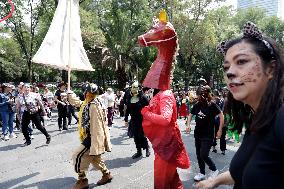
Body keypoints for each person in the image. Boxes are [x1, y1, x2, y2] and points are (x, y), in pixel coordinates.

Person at [196, 21, 284, 189]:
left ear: (271, 69)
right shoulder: (257, 120)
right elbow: (247, 172)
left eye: (241, 61)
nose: (229, 72)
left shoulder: (281, 120)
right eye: (226, 66)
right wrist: (214, 181)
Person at [138, 10, 190, 189]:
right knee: (172, 181)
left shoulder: (165, 95)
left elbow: (166, 119)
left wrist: (146, 113)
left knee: (161, 182)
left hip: (167, 147)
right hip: (165, 146)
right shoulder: (161, 94)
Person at [68, 83, 113, 189]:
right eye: (87, 92)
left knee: (77, 155)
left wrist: (94, 143)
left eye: (90, 93)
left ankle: (82, 180)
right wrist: (70, 95)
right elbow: (80, 104)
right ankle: (106, 174)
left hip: (92, 138)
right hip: (91, 136)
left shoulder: (94, 105)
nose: (88, 94)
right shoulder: (90, 102)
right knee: (95, 158)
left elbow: (97, 126)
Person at [186, 85, 224, 181]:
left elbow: (221, 116)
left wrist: (220, 130)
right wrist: (188, 125)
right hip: (197, 134)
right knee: (199, 155)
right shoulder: (197, 105)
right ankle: (201, 173)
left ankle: (214, 169)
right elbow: (190, 115)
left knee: (204, 154)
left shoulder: (212, 105)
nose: (197, 97)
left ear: (204, 95)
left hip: (208, 135)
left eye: (198, 95)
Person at [124, 81, 150, 159]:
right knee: (135, 137)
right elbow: (128, 109)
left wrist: (149, 120)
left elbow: (149, 109)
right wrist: (126, 119)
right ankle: (139, 152)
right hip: (133, 121)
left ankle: (147, 148)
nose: (133, 89)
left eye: (135, 87)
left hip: (142, 120)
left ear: (139, 88)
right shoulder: (129, 97)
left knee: (141, 136)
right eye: (132, 87)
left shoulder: (143, 98)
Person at [212, 89, 226, 155]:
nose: (214, 97)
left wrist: (217, 116)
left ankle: (223, 149)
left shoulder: (223, 101)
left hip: (222, 120)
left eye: (214, 95)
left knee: (222, 135)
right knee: (214, 134)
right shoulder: (213, 101)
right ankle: (214, 147)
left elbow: (222, 110)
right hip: (215, 121)